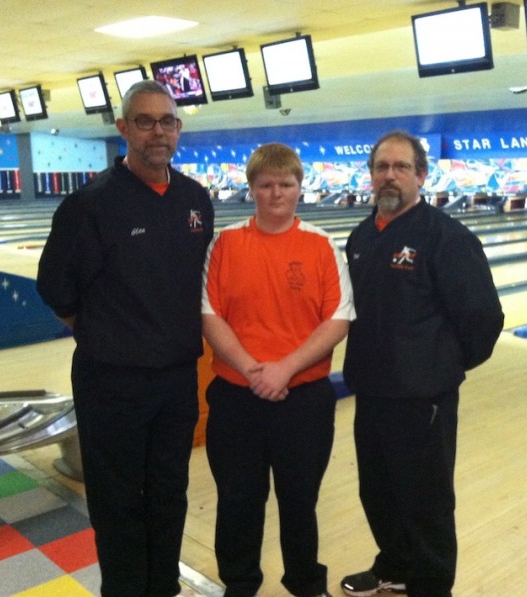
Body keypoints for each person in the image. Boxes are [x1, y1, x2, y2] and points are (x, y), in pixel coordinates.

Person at [36, 79, 214, 597]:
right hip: (111, 382)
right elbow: (57, 291)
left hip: (177, 380)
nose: (157, 132)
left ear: (177, 129)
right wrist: (110, 336)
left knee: (168, 491)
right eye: (145, 121)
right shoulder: (89, 206)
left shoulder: (194, 198)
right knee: (116, 500)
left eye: (167, 121)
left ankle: (164, 587)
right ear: (123, 128)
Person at [340, 130, 504, 597]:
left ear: (421, 175)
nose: (389, 176)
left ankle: (431, 586)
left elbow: (483, 318)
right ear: (371, 175)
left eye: (401, 167)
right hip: (371, 392)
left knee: (426, 501)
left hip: (421, 398)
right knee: (378, 492)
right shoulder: (362, 234)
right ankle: (394, 567)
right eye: (381, 167)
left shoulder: (447, 238)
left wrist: (438, 367)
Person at [201, 142, 355, 597]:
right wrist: (254, 370)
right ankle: (240, 585)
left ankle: (306, 584)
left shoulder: (322, 245)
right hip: (235, 397)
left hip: (303, 399)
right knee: (237, 500)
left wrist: (283, 369)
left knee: (299, 501)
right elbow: (210, 316)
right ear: (251, 189)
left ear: (299, 188)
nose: (276, 193)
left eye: (285, 184)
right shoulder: (226, 243)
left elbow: (338, 319)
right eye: (266, 184)